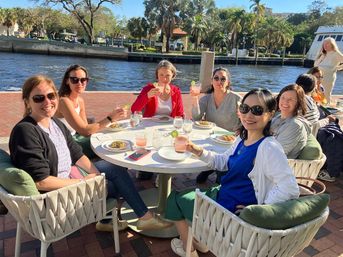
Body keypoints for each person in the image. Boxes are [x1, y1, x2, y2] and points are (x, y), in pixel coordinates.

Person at [9, 75, 171, 233]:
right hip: (58, 196)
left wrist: (95, 175)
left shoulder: (55, 122)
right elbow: (42, 182)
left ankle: (131, 218)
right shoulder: (26, 131)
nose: (47, 102)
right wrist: (83, 183)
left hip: (70, 176)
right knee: (116, 186)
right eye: (39, 98)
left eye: (51, 96)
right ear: (27, 101)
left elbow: (76, 154)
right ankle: (127, 218)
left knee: (115, 169)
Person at [165, 88, 300, 257]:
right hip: (224, 195)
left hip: (230, 211)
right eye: (245, 109)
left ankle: (189, 250)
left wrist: (259, 210)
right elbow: (223, 162)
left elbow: (289, 188)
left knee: (175, 198)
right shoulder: (243, 139)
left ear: (271, 114)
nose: (249, 115)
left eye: (257, 110)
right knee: (184, 196)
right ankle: (200, 242)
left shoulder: (269, 147)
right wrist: (196, 149)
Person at [55, 65, 127, 158]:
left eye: (83, 80)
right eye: (74, 80)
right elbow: (85, 131)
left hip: (75, 138)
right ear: (67, 81)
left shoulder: (80, 100)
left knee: (113, 139)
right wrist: (110, 118)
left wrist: (111, 119)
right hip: (65, 144)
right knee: (110, 148)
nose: (79, 83)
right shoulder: (64, 101)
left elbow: (86, 128)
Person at [192, 67, 242, 184]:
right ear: (212, 81)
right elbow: (196, 118)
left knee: (220, 180)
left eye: (223, 79)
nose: (219, 81)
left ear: (228, 82)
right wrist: (194, 98)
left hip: (230, 140)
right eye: (216, 78)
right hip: (211, 138)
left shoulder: (236, 99)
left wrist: (241, 125)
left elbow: (246, 119)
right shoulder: (206, 98)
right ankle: (211, 168)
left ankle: (218, 172)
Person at [271, 84, 311, 159]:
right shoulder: (278, 118)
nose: (285, 102)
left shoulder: (295, 125)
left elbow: (275, 154)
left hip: (275, 166)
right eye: (283, 97)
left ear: (298, 103)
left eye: (291, 99)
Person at [314, 37, 343, 104]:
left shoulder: (336, 53)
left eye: (327, 43)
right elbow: (315, 65)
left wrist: (336, 68)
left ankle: (326, 109)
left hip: (328, 77)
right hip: (318, 78)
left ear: (332, 44)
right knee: (317, 93)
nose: (325, 45)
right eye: (324, 44)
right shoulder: (323, 54)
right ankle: (318, 109)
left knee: (326, 93)